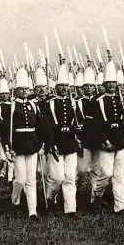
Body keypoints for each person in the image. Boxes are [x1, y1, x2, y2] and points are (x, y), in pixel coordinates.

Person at [2, 67, 44, 221]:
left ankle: (32, 211)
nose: (25, 91)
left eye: (26, 89)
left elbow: (39, 126)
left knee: (31, 178)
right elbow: (6, 130)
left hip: (32, 146)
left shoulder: (33, 105)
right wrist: (7, 147)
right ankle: (15, 199)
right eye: (22, 89)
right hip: (17, 146)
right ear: (16, 90)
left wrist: (40, 144)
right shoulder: (11, 107)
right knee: (20, 178)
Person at [90, 54, 124, 215]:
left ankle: (120, 206)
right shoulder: (97, 100)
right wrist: (104, 141)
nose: (112, 86)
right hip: (105, 142)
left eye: (114, 83)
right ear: (104, 84)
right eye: (109, 83)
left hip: (120, 141)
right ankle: (96, 195)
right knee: (106, 173)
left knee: (119, 175)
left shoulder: (121, 100)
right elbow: (94, 125)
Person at [43, 63, 78, 218]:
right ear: (56, 87)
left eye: (66, 86)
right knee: (57, 177)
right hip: (56, 143)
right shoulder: (49, 103)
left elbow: (77, 123)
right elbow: (47, 127)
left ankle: (70, 209)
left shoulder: (72, 102)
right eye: (61, 86)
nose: (64, 89)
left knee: (70, 177)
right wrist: (51, 144)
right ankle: (50, 197)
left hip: (70, 143)